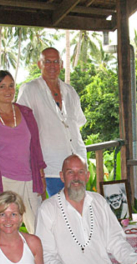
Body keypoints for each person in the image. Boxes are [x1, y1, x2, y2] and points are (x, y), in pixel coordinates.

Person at [17, 47, 87, 196]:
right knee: (58, 212)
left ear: (61, 64)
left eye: (56, 61)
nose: (52, 65)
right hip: (51, 166)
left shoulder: (70, 91)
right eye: (47, 61)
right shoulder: (30, 90)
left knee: (78, 211)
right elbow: (22, 127)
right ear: (39, 64)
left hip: (77, 164)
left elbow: (77, 123)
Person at [0, 70, 47, 234]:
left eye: (11, 86)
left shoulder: (26, 113)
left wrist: (41, 173)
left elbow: (35, 146)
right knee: (6, 229)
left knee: (39, 228)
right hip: (5, 182)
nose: (8, 91)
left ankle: (43, 260)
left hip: (30, 179)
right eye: (2, 87)